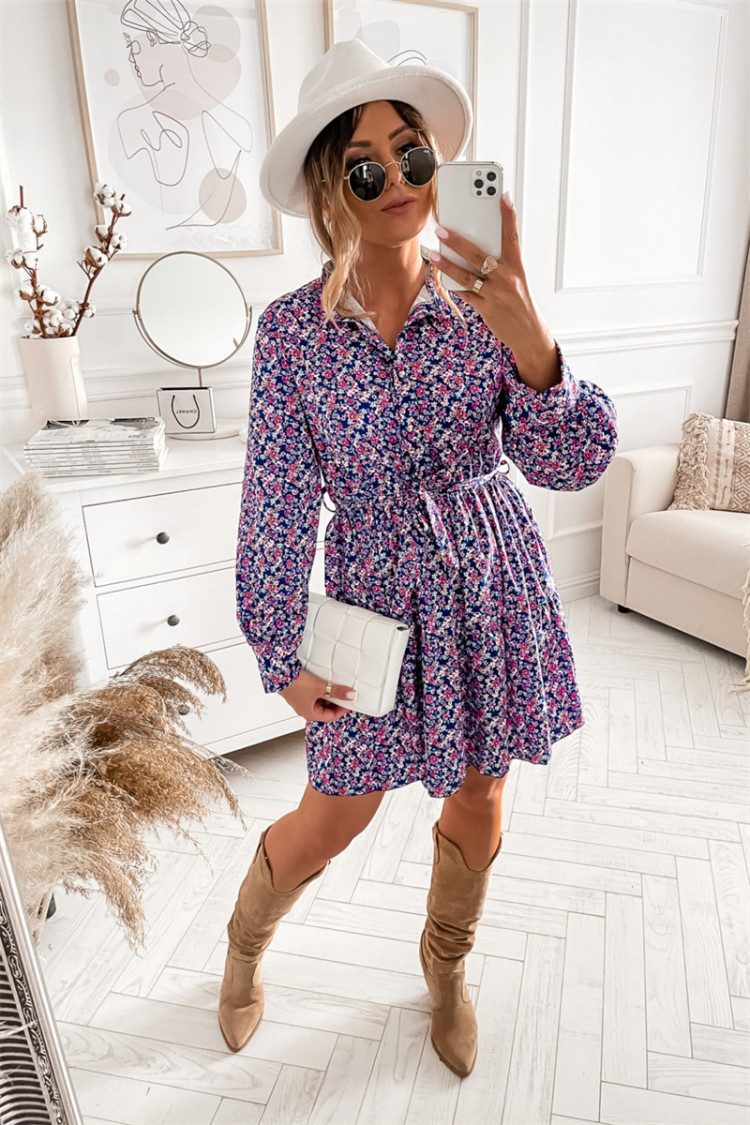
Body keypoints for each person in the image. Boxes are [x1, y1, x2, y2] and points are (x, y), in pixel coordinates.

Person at [221, 40, 618, 1078]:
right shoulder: (292, 336)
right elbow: (275, 502)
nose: (397, 180)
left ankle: (446, 968)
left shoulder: (486, 300)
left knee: (480, 796)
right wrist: (279, 650)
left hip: (488, 579)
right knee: (332, 816)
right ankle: (243, 943)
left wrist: (531, 335)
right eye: (366, 167)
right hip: (371, 603)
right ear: (330, 189)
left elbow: (571, 461)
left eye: (413, 154)